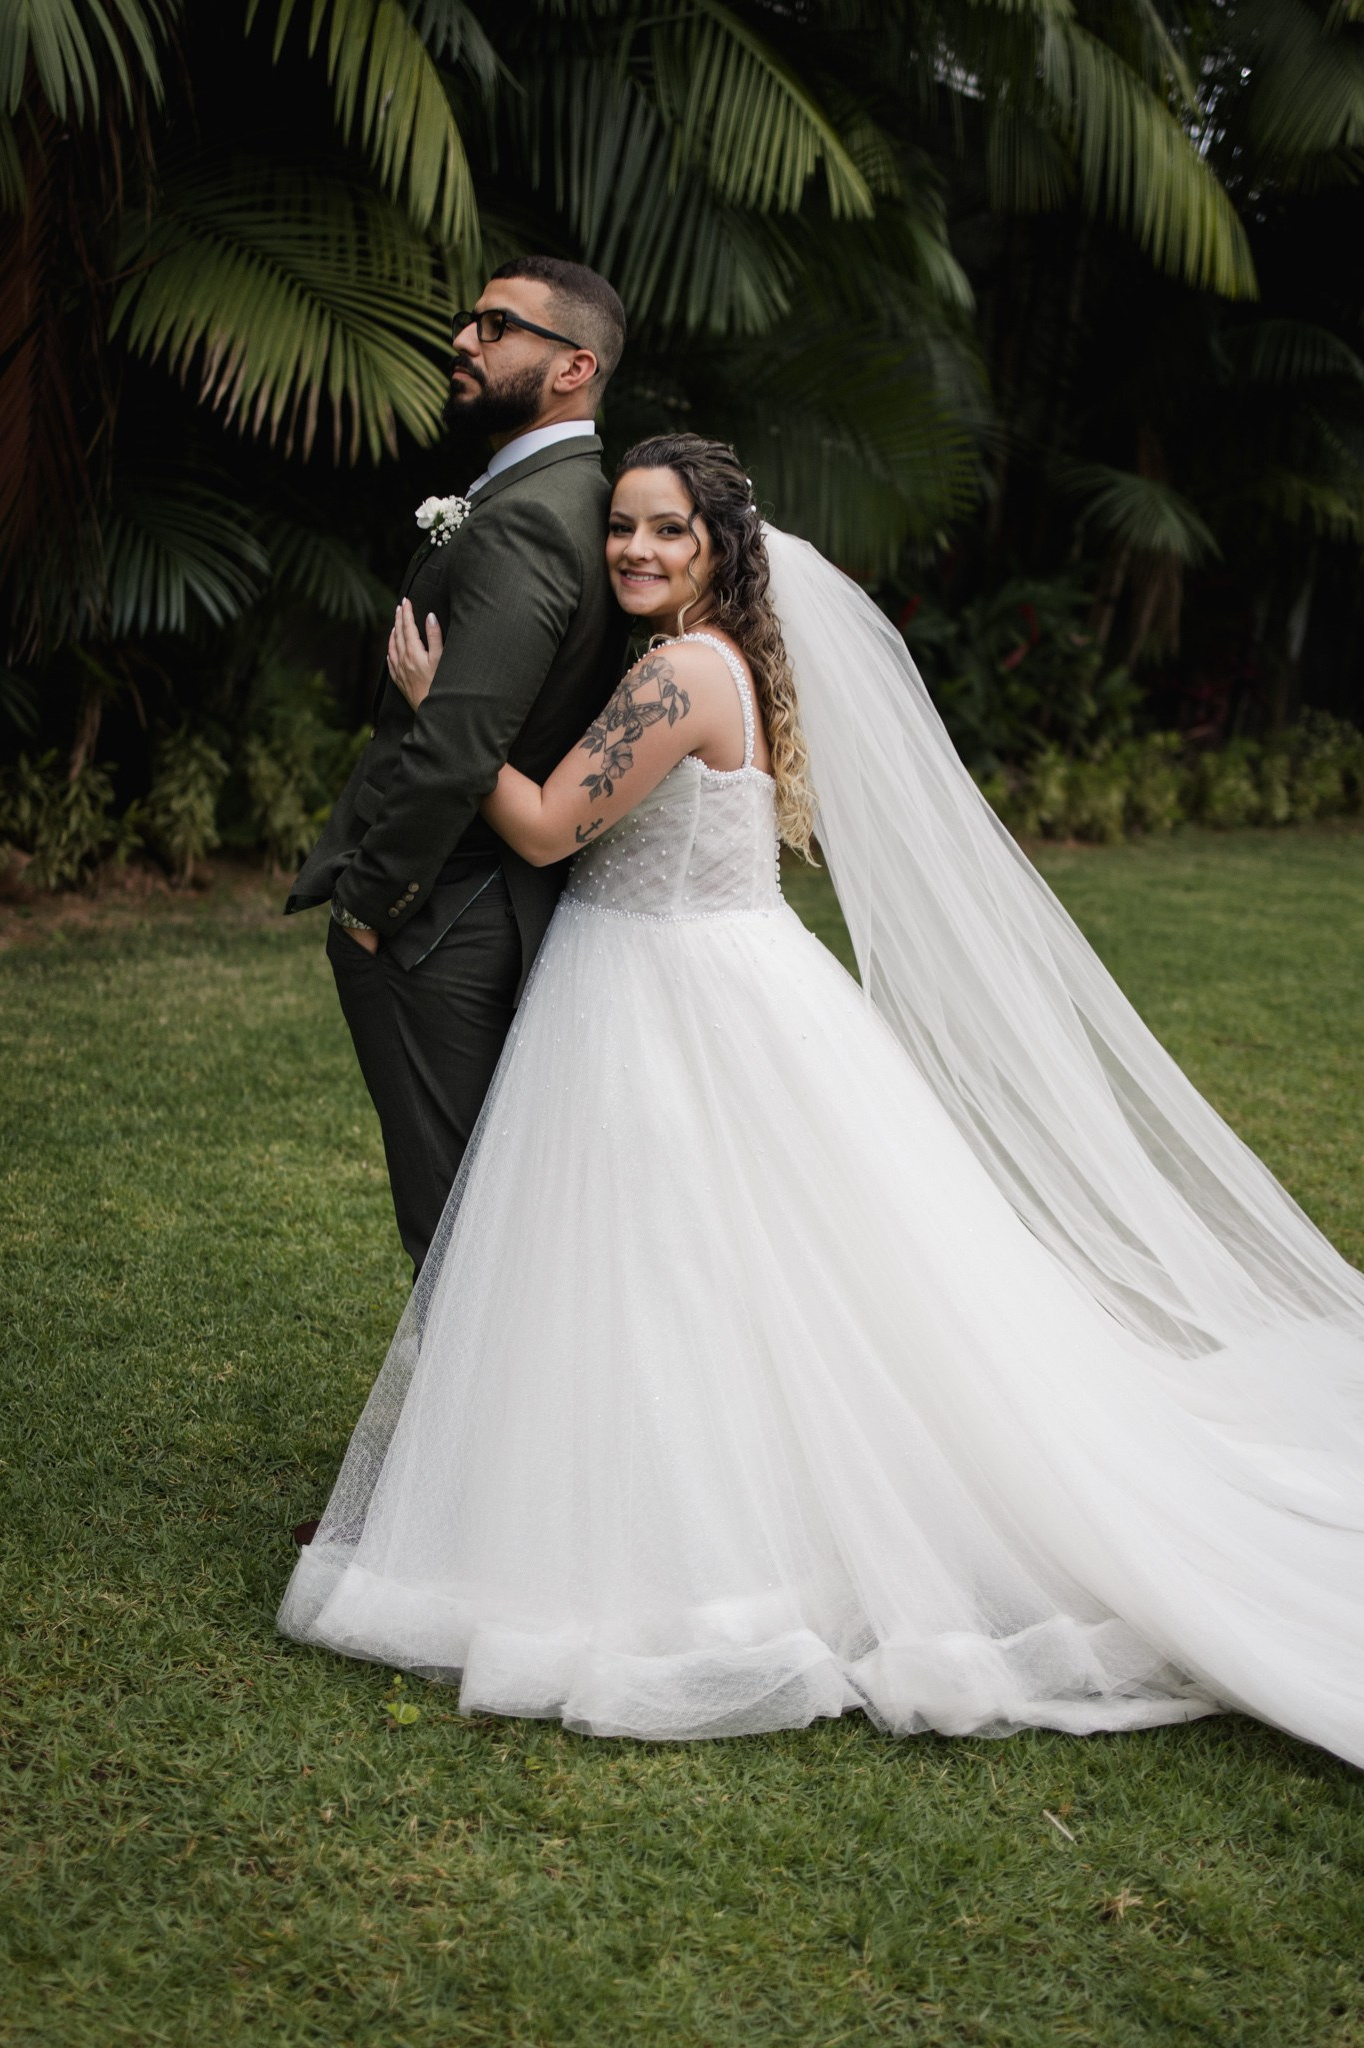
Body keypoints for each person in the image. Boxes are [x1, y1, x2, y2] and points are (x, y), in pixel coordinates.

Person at [280, 434, 1364, 1766]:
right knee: (703, 1274)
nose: (634, 549)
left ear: (719, 548)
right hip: (679, 973)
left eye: (667, 530)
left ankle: (694, 1549)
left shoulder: (680, 671)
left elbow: (554, 824)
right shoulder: (711, 655)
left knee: (678, 1267)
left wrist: (447, 711)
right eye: (622, 525)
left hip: (667, 991)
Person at [286, 257, 629, 1277]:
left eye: (496, 326)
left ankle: (473, 1392)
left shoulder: (533, 517)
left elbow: (457, 748)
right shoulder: (574, 497)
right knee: (487, 1211)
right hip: (486, 902)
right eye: (470, 320)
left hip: (440, 918)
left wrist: (371, 905)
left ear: (573, 367)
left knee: (453, 1224)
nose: (463, 340)